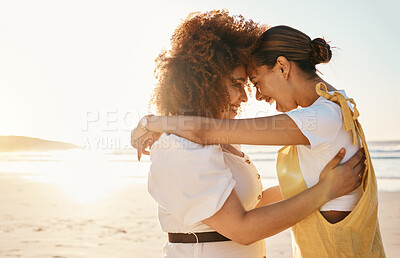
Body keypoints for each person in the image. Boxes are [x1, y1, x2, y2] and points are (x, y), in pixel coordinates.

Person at [131, 10, 367, 257]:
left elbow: (256, 203)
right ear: (206, 82)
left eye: (248, 84)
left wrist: (319, 184)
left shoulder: (224, 142)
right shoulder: (181, 146)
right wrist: (323, 191)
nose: (247, 97)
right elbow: (242, 229)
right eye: (237, 84)